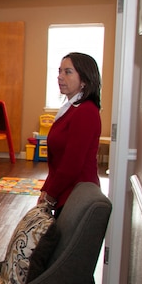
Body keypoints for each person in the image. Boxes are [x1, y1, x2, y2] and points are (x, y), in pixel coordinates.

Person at [39, 52, 102, 218]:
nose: (60, 77)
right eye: (59, 71)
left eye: (67, 72)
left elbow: (72, 163)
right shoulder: (71, 109)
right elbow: (58, 162)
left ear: (84, 80)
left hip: (77, 196)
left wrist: (50, 196)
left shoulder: (86, 111)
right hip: (66, 193)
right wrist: (46, 189)